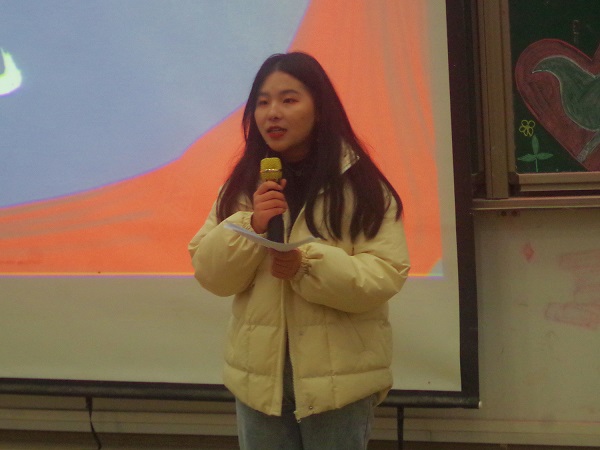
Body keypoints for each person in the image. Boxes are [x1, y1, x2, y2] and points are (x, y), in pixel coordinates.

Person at [188, 52, 410, 450]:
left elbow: (385, 274)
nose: (273, 113)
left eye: (289, 100)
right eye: (263, 102)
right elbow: (211, 274)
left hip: (340, 384)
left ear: (319, 109)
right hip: (260, 383)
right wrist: (251, 224)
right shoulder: (244, 185)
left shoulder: (361, 186)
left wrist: (305, 265)